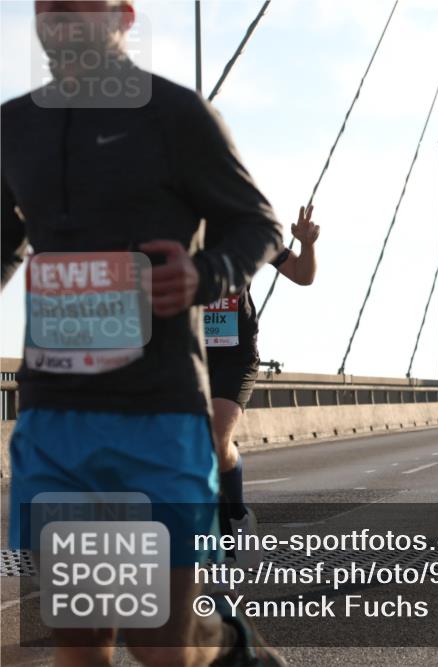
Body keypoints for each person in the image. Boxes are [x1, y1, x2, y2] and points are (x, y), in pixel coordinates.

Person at [2, 2, 286, 664]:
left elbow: (260, 224)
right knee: (82, 635)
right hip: (54, 413)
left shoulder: (175, 116)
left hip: (158, 409)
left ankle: (220, 641)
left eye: (80, 8)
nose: (61, 21)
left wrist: (206, 272)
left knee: (161, 643)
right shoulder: (14, 125)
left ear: (124, 16)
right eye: (49, 8)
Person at [208, 204, 319, 563]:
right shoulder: (168, 225)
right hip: (186, 353)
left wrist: (306, 245)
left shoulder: (250, 228)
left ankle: (236, 517)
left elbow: (302, 275)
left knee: (215, 437)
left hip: (234, 355)